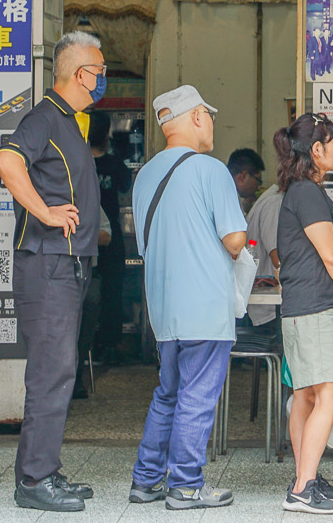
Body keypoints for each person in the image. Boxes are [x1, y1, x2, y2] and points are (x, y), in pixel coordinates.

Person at [0, 30, 106, 512]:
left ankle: (46, 470)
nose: (103, 80)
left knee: (59, 371)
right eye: (99, 72)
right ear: (81, 73)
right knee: (50, 372)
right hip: (48, 264)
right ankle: (34, 482)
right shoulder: (44, 117)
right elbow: (6, 160)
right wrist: (45, 213)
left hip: (68, 265)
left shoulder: (72, 123)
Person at [127, 85, 246, 510]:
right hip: (205, 306)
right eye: (208, 115)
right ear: (196, 117)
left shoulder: (144, 176)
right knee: (197, 395)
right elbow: (234, 239)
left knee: (170, 392)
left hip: (165, 308)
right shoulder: (210, 170)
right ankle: (186, 485)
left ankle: (146, 480)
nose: (211, 123)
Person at [273, 113, 333, 515]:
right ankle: (303, 489)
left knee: (306, 395)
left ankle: (304, 478)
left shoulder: (301, 192)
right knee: (332, 392)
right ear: (316, 150)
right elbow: (330, 254)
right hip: (314, 306)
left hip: (302, 306)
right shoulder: (307, 193)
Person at [230, 146, 285, 355]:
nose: (258, 186)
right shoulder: (273, 202)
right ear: (243, 176)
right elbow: (276, 255)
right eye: (257, 180)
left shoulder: (261, 201)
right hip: (264, 304)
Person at [87, 113, 131, 366]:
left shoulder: (80, 162)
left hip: (84, 235)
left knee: (88, 293)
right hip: (110, 236)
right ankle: (109, 345)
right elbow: (126, 187)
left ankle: (90, 346)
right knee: (113, 292)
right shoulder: (114, 163)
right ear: (107, 136)